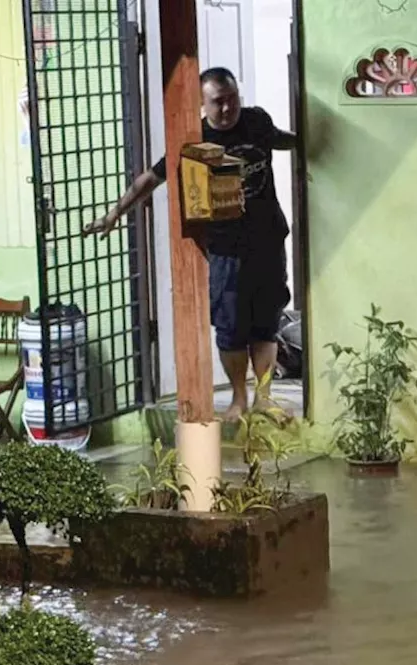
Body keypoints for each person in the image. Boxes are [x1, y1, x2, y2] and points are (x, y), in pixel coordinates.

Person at [83, 67, 295, 420]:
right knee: (230, 328)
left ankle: (265, 397)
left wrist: (314, 137)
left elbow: (280, 138)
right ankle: (239, 399)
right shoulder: (195, 140)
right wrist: (114, 214)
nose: (227, 109)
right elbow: (150, 179)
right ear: (202, 103)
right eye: (218, 102)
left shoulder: (257, 121)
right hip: (227, 250)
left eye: (232, 99)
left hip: (269, 240)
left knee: (266, 323)